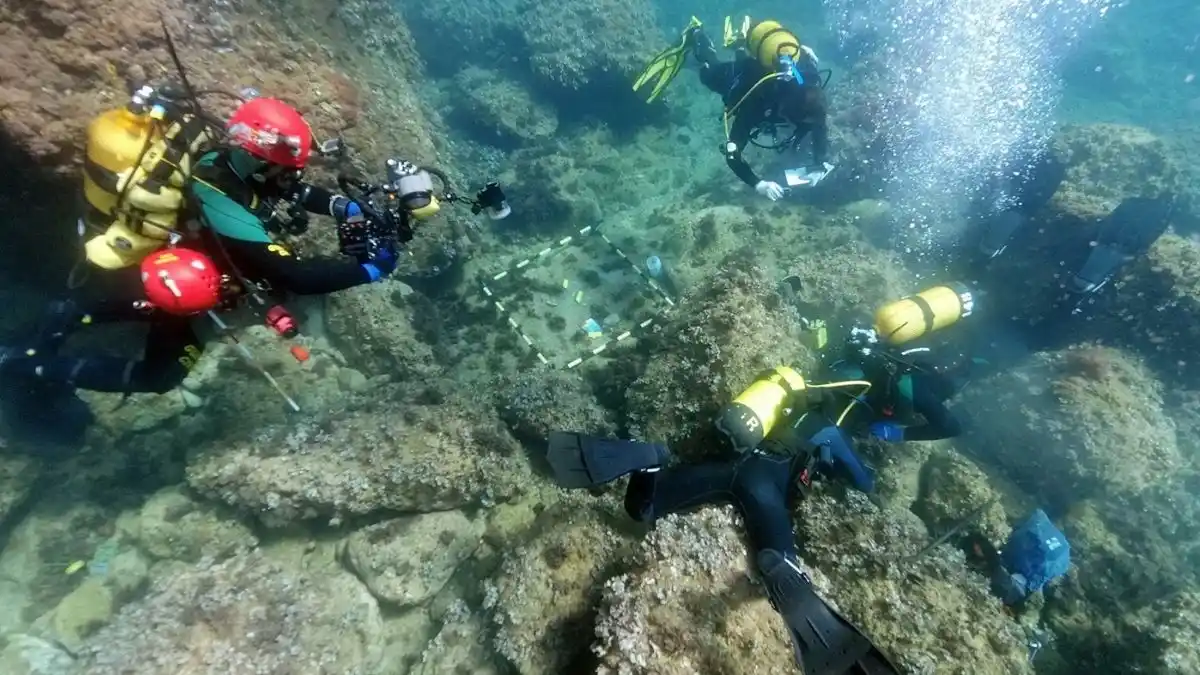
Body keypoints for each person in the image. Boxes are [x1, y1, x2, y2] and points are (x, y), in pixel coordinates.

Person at [0, 94, 393, 433]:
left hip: (190, 268)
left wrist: (348, 207)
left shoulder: (228, 161)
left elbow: (296, 191)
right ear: (260, 161)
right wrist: (372, 269)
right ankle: (29, 363)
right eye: (285, 169)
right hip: (176, 281)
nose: (292, 178)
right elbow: (296, 276)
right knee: (160, 374)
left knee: (98, 310)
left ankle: (63, 319)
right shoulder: (217, 194)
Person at [547, 367, 899, 675]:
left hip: (726, 469)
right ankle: (785, 569)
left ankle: (650, 459)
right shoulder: (830, 429)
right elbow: (864, 482)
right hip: (761, 488)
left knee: (647, 510)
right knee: (783, 564)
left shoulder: (779, 408)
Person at [634, 17, 834, 201]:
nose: (806, 123)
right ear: (788, 111)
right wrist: (758, 184)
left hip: (766, 63)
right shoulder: (756, 102)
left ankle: (741, 44)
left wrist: (820, 165)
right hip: (738, 76)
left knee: (746, 64)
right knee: (708, 73)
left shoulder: (811, 92)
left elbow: (819, 125)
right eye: (802, 120)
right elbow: (732, 154)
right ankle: (696, 35)